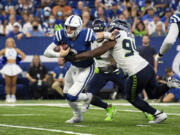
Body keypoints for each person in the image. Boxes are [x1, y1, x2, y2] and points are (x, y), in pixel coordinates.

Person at [63, 19, 180, 124]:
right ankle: (169, 84)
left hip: (136, 72)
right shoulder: (129, 35)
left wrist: (75, 57)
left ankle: (158, 114)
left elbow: (95, 52)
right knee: (153, 93)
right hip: (146, 67)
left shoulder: (114, 37)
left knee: (131, 97)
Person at [44, 15, 116, 124]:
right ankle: (77, 116)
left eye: (72, 28)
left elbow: (99, 35)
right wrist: (59, 54)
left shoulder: (86, 34)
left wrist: (110, 35)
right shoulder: (61, 34)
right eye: (67, 27)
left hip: (87, 68)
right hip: (74, 67)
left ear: (78, 28)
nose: (68, 30)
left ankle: (88, 97)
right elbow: (47, 52)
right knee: (66, 94)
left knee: (72, 96)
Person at [84, 19, 126, 121]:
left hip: (115, 71)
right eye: (96, 32)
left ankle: (147, 112)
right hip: (101, 73)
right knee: (88, 96)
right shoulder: (90, 39)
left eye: (100, 32)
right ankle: (108, 108)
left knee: (132, 92)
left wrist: (112, 65)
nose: (98, 34)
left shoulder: (110, 39)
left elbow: (116, 59)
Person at [0, 37, 26, 103]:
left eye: (11, 42)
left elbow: (23, 56)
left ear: (13, 43)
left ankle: (13, 96)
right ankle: (8, 96)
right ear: (6, 43)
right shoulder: (4, 50)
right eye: (9, 42)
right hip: (7, 66)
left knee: (14, 83)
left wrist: (18, 60)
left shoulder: (16, 50)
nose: (10, 43)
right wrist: (3, 61)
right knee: (8, 83)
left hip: (14, 66)